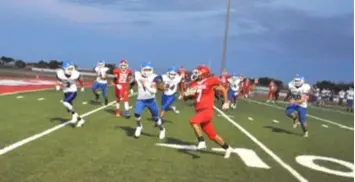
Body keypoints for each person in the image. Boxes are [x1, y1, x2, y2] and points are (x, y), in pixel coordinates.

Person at [183, 65, 233, 158]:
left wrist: (226, 102)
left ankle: (201, 141)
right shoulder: (193, 84)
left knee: (193, 121)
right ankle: (227, 148)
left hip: (207, 110)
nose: (195, 74)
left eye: (198, 72)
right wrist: (186, 95)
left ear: (204, 74)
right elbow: (187, 98)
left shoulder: (210, 81)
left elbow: (223, 89)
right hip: (199, 110)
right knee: (212, 135)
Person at [134, 62, 165, 139]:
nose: (147, 71)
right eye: (145, 69)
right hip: (141, 100)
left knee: (156, 118)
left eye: (148, 69)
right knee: (137, 113)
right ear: (142, 69)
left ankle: (162, 129)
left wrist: (146, 86)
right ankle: (139, 126)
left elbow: (154, 91)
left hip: (151, 101)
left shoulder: (155, 77)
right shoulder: (137, 74)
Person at [56, 61, 85, 127]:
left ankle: (74, 117)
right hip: (66, 91)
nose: (70, 70)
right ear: (64, 69)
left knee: (65, 102)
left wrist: (82, 86)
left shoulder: (75, 74)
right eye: (69, 69)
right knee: (70, 109)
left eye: (71, 69)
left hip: (73, 91)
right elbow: (58, 81)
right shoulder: (60, 73)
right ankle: (80, 120)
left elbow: (80, 80)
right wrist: (57, 85)